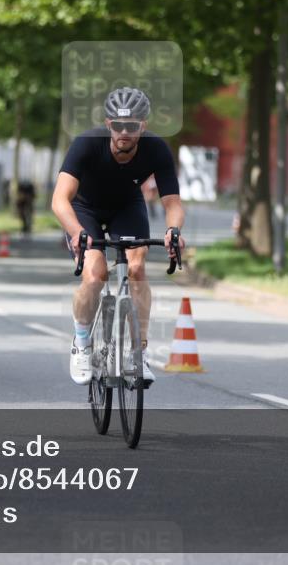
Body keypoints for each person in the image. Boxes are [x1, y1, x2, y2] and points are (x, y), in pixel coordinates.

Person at [51, 87, 186, 386]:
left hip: (126, 206)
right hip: (84, 209)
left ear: (144, 126)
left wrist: (173, 231)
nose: (125, 132)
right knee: (95, 274)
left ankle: (138, 354)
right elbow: (60, 200)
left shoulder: (156, 149)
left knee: (137, 268)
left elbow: (172, 203)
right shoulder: (87, 143)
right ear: (108, 123)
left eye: (133, 126)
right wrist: (77, 233)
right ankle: (83, 341)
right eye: (119, 125)